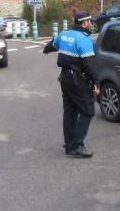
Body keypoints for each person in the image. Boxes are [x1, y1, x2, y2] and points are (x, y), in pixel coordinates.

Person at [43, 10, 100, 158]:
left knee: (70, 111)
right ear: (84, 23)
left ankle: (69, 144)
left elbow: (51, 46)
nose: (91, 24)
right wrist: (96, 83)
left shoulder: (64, 34)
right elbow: (89, 65)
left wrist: (45, 50)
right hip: (78, 81)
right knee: (88, 111)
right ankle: (77, 145)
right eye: (89, 22)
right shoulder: (84, 39)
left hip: (65, 79)